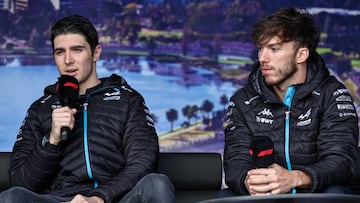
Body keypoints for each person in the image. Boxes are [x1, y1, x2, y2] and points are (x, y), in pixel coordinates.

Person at [0, 15, 175, 203]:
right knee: (11, 197)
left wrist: (98, 197)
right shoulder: (40, 108)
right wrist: (51, 140)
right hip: (59, 200)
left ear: (96, 53)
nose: (68, 60)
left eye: (77, 50)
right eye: (60, 52)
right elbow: (20, 182)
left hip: (114, 199)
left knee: (157, 184)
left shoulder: (128, 100)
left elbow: (143, 163)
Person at [221, 7, 359, 197]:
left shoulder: (333, 94)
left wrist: (295, 178)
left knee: (335, 194)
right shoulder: (242, 100)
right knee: (225, 198)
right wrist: (248, 181)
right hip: (264, 195)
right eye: (261, 48)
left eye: (274, 49)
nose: (262, 58)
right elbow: (235, 160)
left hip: (315, 193)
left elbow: (341, 162)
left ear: (301, 55)